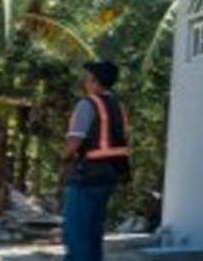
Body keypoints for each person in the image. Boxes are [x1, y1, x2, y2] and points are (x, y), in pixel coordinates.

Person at [60, 61, 130, 261]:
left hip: (87, 176)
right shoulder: (117, 106)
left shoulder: (87, 104)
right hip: (110, 175)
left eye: (87, 77)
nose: (84, 81)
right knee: (93, 233)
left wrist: (64, 157)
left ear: (95, 81)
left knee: (77, 234)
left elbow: (75, 141)